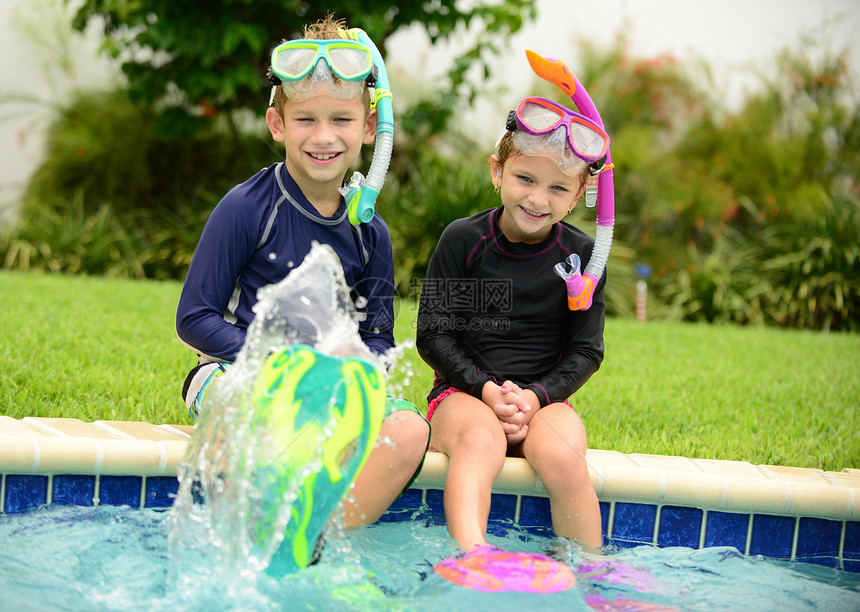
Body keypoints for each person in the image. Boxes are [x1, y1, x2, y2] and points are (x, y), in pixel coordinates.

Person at [175, 15, 429, 533]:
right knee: (243, 418)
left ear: (367, 128)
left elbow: (379, 337)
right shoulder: (246, 208)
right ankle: (246, 537)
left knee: (407, 431)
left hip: (330, 385)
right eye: (307, 120)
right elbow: (194, 317)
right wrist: (276, 364)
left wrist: (350, 375)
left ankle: (320, 541)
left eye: (340, 120)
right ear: (278, 126)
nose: (324, 137)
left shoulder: (370, 232)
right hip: (239, 371)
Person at [415, 85, 609, 554]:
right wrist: (485, 389)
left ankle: (591, 574)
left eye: (558, 187)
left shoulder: (585, 256)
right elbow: (433, 334)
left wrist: (536, 397)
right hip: (462, 396)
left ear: (579, 193)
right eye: (525, 179)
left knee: (564, 455)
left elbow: (587, 350)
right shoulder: (463, 240)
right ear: (498, 172)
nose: (538, 199)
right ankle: (471, 556)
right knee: (481, 441)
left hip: (542, 403)